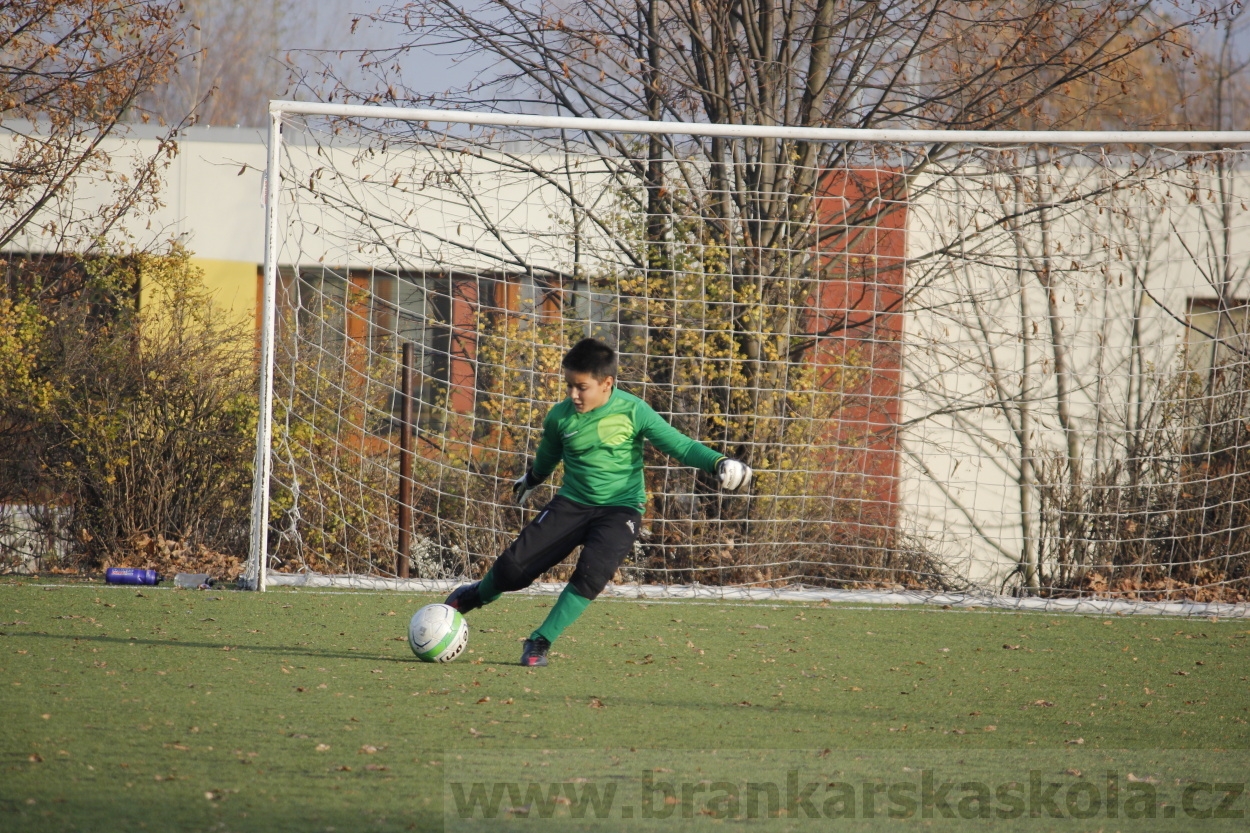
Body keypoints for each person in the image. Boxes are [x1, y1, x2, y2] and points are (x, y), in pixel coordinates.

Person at [444, 337, 752, 667]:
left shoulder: (634, 411)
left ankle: (539, 641)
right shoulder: (560, 418)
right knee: (513, 571)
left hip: (621, 510)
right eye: (569, 387)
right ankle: (477, 594)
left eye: (582, 387)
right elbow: (548, 456)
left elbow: (681, 446)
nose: (573, 395)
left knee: (592, 573)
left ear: (607, 383)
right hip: (572, 503)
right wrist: (532, 479)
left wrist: (719, 462)